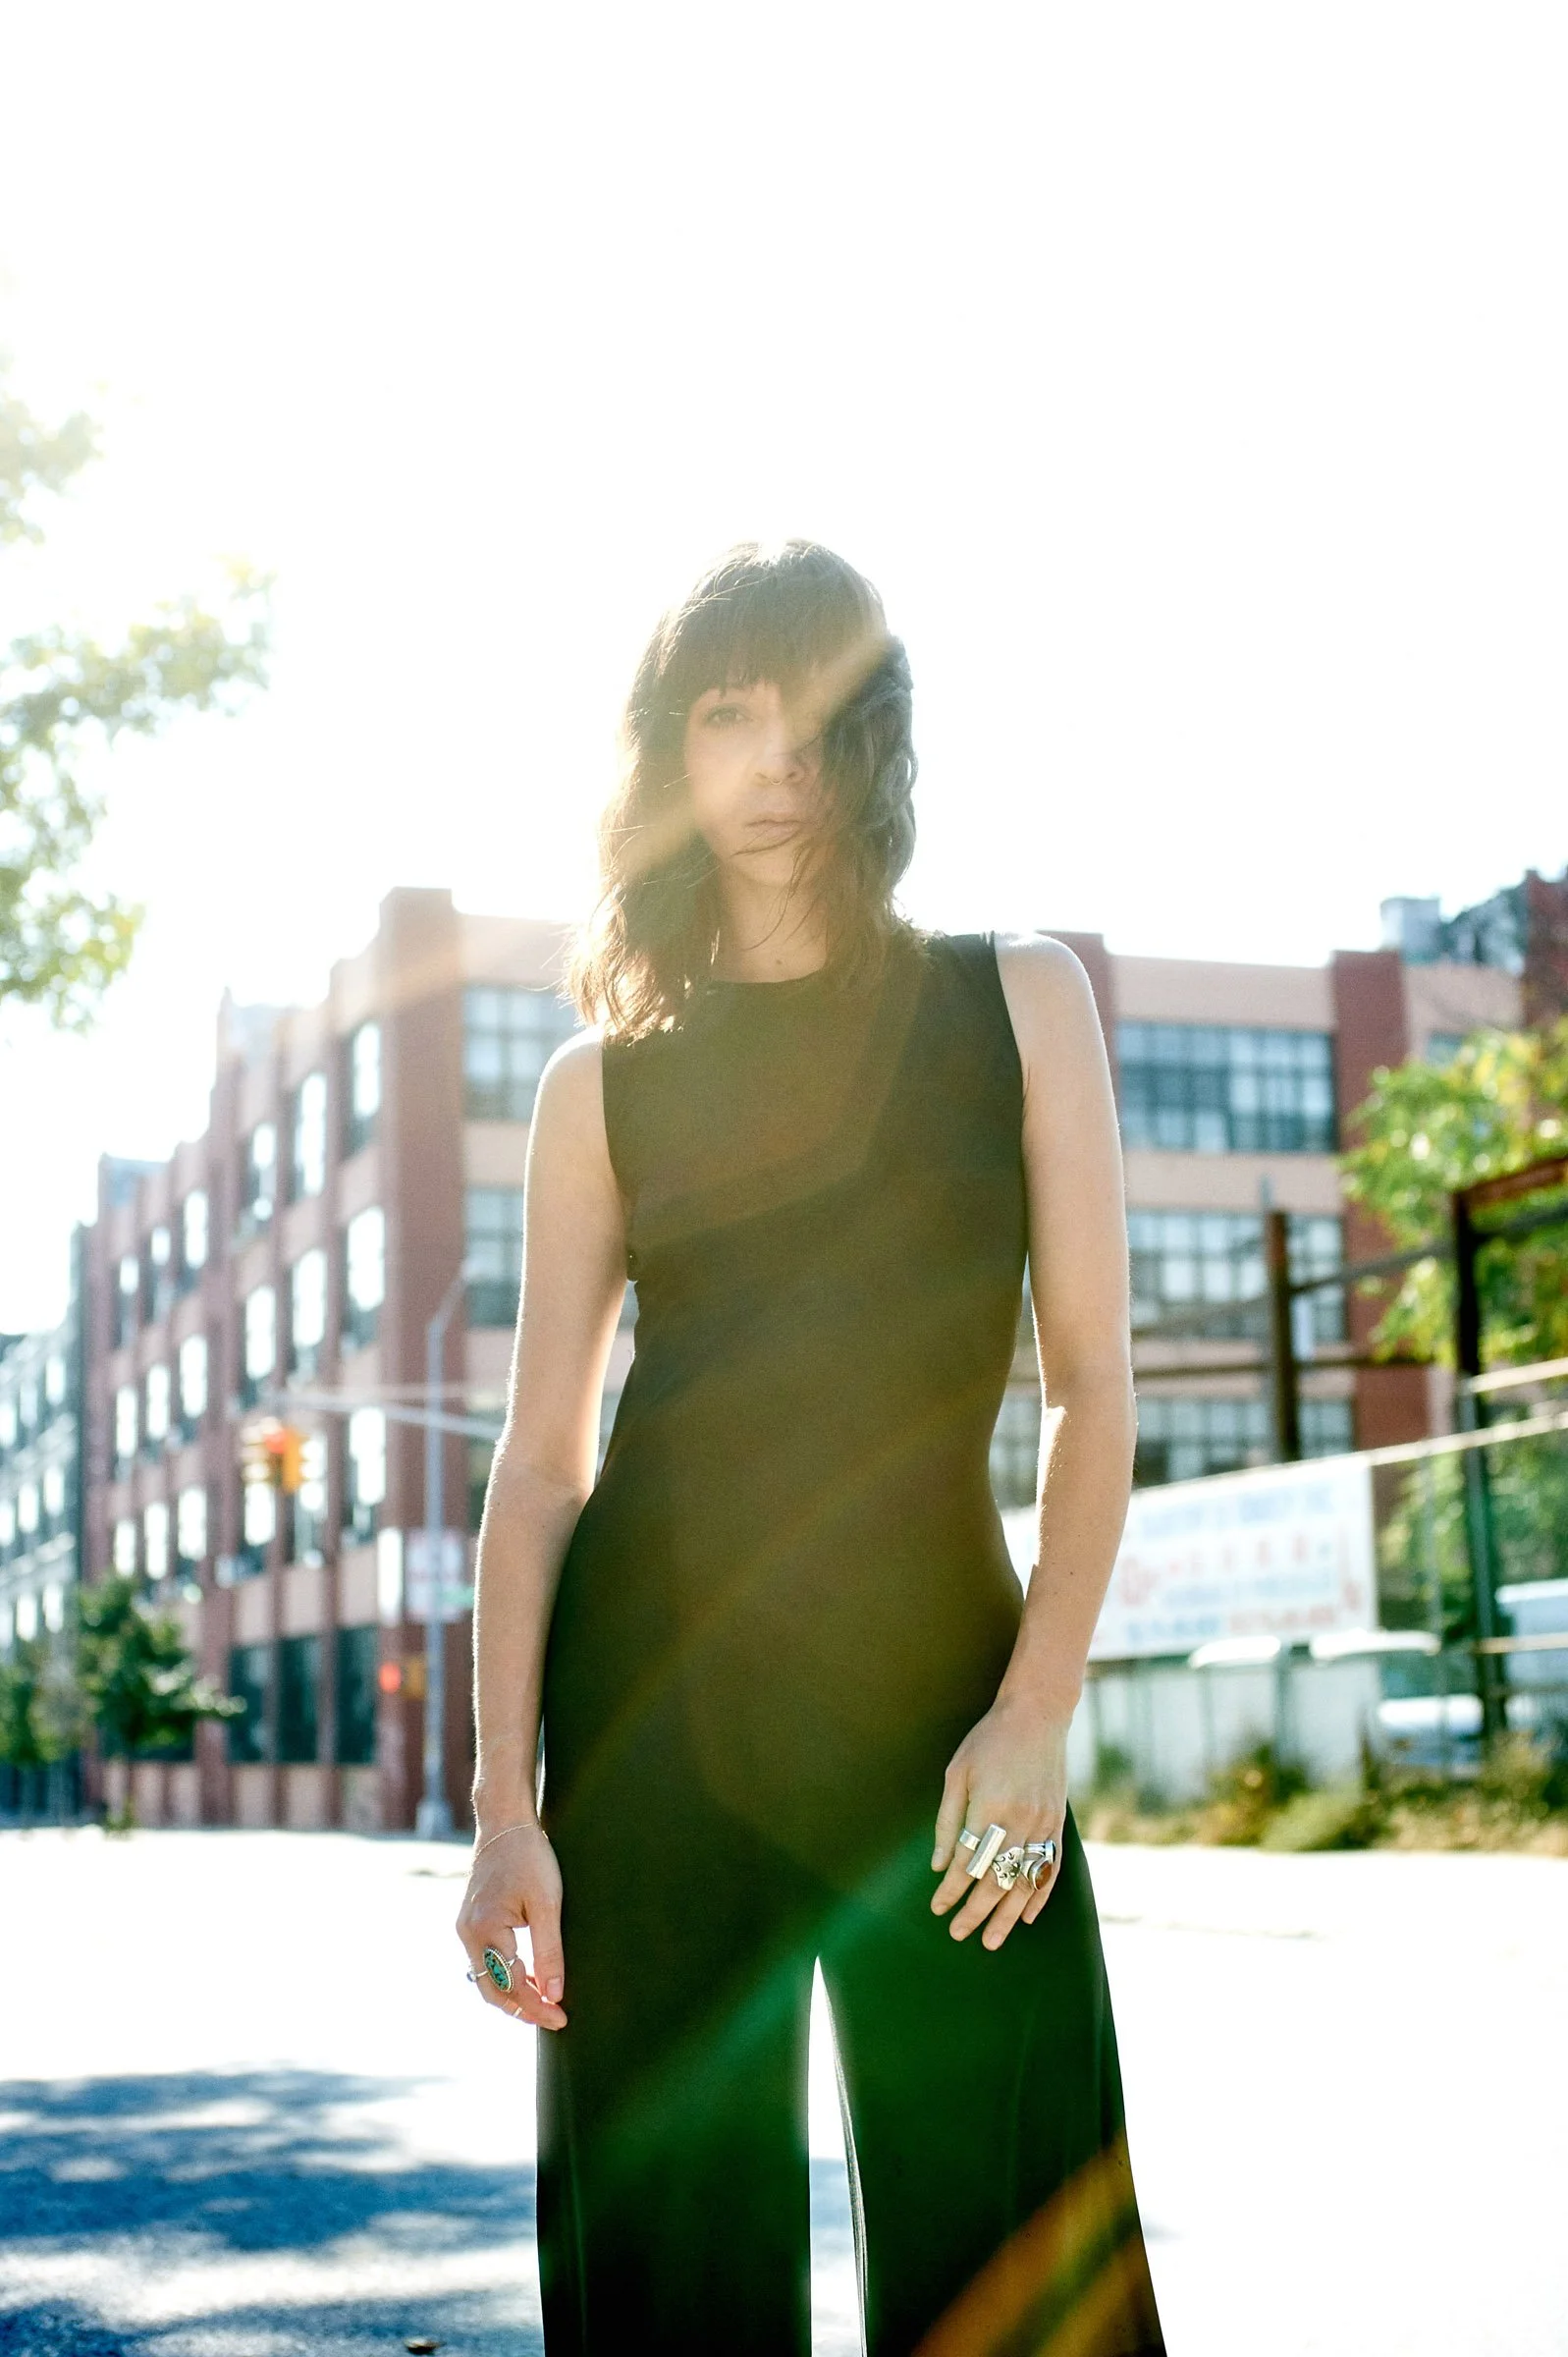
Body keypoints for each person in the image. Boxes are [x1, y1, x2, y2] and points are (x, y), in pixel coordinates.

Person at [457, 541, 1165, 2356]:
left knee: (1017, 2253)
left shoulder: (1019, 1002)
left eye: (814, 713)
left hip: (945, 1703)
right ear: (669, 757)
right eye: (727, 714)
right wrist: (506, 1809)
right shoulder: (598, 1084)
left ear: (876, 741)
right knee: (675, 2257)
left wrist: (1035, 1710)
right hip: (654, 1717)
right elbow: (542, 1466)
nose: (773, 760)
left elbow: (1092, 1381)